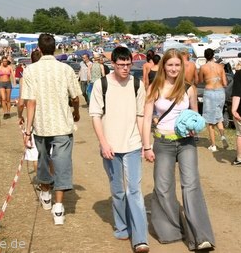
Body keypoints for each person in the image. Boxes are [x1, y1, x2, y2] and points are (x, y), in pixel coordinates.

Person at [142, 49, 215, 251]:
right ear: (164, 66)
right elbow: (147, 118)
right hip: (162, 142)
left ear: (181, 67)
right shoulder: (154, 88)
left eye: (177, 65)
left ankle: (201, 237)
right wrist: (146, 146)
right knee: (163, 188)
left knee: (191, 185)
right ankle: (170, 231)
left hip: (186, 143)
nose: (174, 68)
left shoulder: (189, 88)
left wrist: (195, 127)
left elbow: (195, 115)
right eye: (170, 64)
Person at [89, 46, 150, 253]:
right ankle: (122, 227)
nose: (125, 68)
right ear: (112, 64)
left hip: (132, 145)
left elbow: (141, 116)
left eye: (128, 64)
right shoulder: (101, 85)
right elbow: (95, 116)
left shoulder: (137, 85)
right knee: (117, 191)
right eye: (121, 65)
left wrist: (144, 143)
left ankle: (140, 238)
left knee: (134, 190)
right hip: (110, 147)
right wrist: (103, 142)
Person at [21, 33, 82, 225]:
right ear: (55, 48)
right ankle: (58, 207)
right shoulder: (65, 69)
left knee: (43, 158)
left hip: (41, 125)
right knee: (62, 161)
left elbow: (30, 102)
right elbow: (75, 97)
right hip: (62, 123)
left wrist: (28, 129)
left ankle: (46, 193)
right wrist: (76, 111)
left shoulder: (30, 71)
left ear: (38, 49)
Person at [198, 48, 228, 151]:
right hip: (220, 92)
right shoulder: (220, 67)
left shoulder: (203, 67)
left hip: (209, 92)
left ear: (205, 56)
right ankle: (223, 136)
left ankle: (213, 145)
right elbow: (225, 83)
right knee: (219, 116)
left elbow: (201, 80)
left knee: (210, 120)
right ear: (213, 55)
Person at [18, 50, 43, 176]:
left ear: (31, 60)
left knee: (35, 152)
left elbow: (21, 102)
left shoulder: (25, 77)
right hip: (46, 115)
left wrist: (19, 115)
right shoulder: (46, 75)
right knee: (48, 152)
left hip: (32, 117)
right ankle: (50, 179)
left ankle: (41, 179)